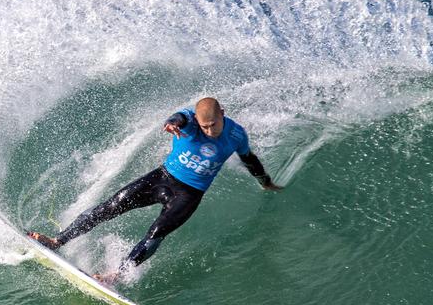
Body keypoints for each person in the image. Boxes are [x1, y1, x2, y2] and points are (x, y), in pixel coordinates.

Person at [28, 97, 282, 283]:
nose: (207, 131)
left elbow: (249, 159)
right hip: (161, 178)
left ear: (223, 114)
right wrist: (173, 123)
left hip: (189, 194)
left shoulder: (236, 134)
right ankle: (57, 241)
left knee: (157, 232)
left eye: (212, 125)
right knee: (111, 206)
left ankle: (117, 275)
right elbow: (178, 117)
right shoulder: (189, 120)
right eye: (203, 126)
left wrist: (265, 181)